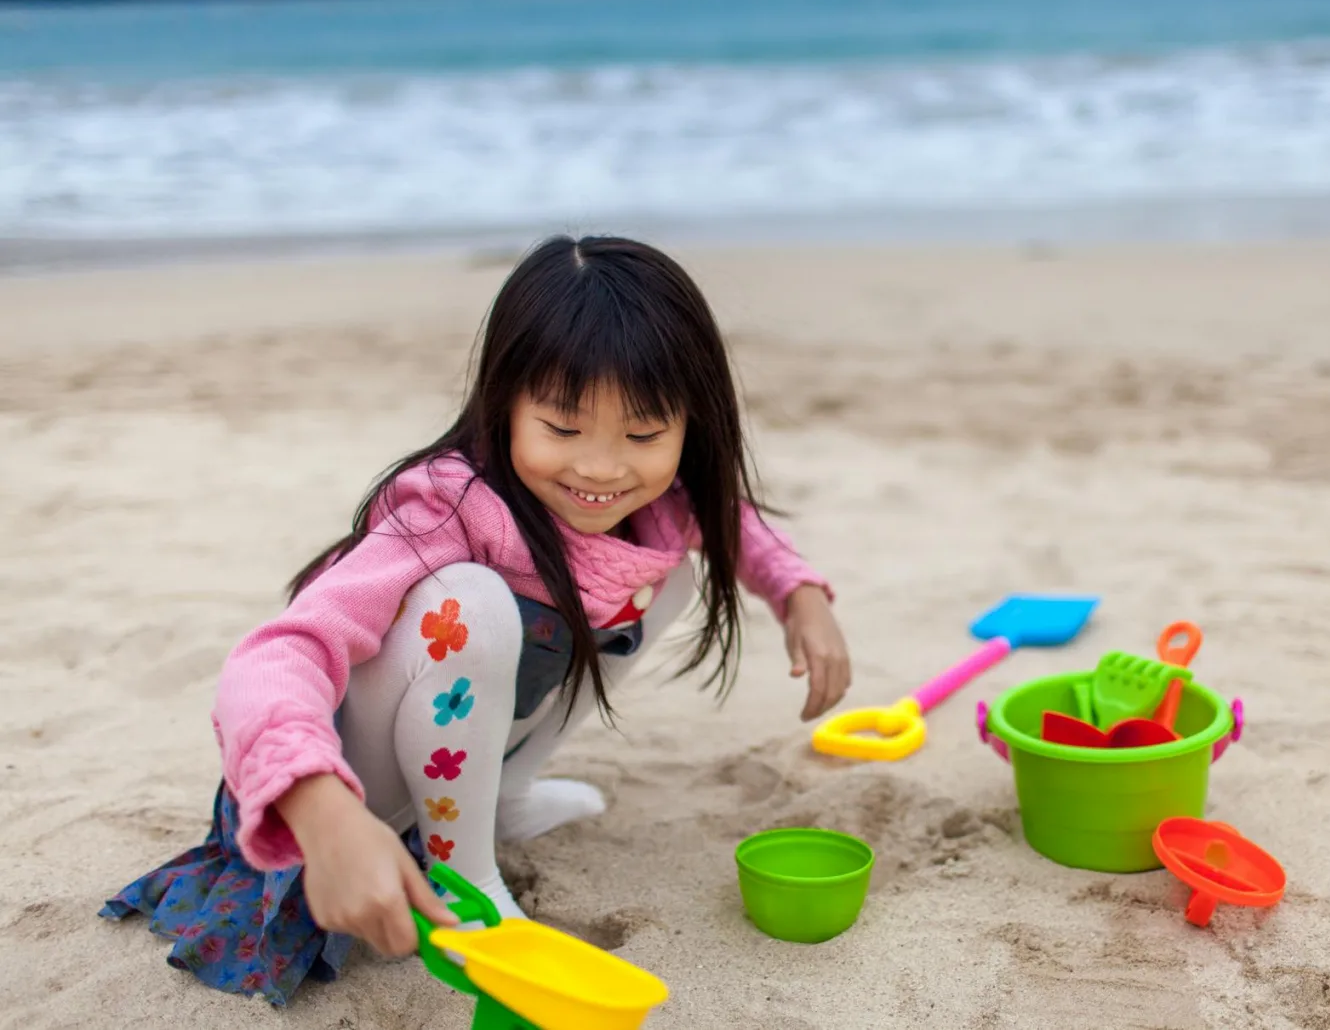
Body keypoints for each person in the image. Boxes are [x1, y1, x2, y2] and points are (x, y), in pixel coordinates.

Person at [102, 235, 852, 1005]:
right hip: (338, 794)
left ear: (692, 423)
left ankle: (503, 796)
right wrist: (320, 810)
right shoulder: (447, 507)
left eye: (642, 434)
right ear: (507, 404)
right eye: (562, 429)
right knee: (472, 604)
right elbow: (274, 657)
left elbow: (732, 521)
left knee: (669, 579)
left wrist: (801, 595)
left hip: (442, 766)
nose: (600, 468)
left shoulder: (658, 508)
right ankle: (463, 871)